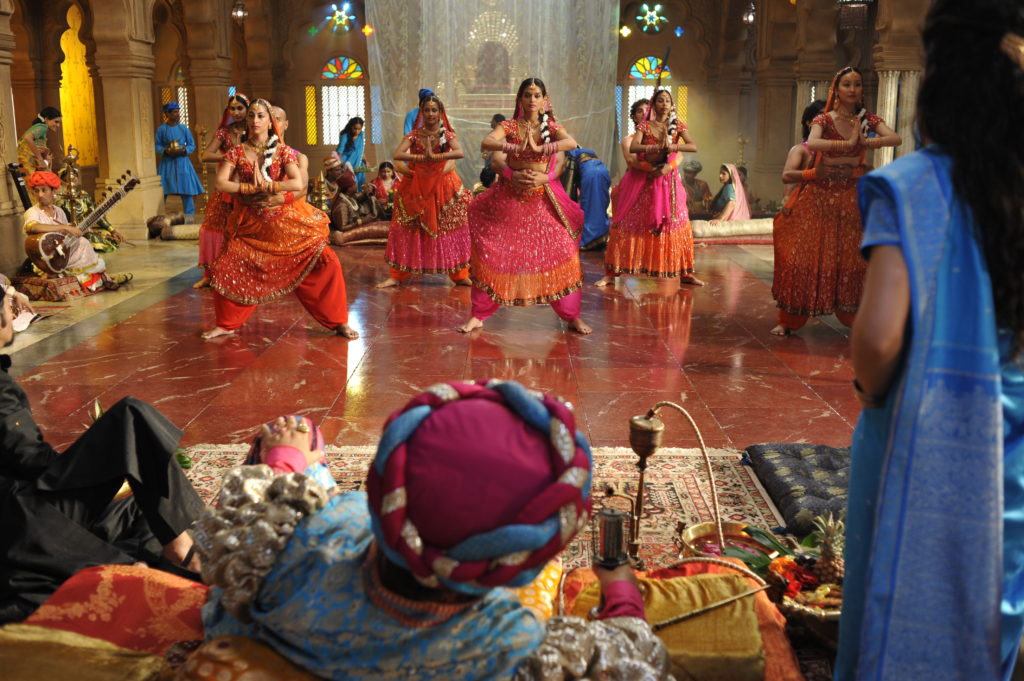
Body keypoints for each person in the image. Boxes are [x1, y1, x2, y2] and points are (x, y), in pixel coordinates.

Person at [195, 380, 669, 680]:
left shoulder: (306, 539)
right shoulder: (518, 650)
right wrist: (621, 587)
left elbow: (250, 510)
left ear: (379, 493)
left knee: (305, 453)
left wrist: (289, 459)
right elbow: (635, 653)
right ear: (529, 561)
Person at [836, 2, 1024, 678]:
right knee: (993, 602)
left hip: (914, 429)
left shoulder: (911, 186)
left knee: (892, 593)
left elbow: (879, 338)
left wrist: (869, 393)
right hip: (1015, 438)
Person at [0, 275, 205, 623]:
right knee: (130, 420)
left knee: (137, 505)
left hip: (18, 516)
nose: (14, 309)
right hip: (22, 519)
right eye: (8, 305)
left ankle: (177, 578)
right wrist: (97, 462)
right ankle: (180, 547)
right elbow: (31, 460)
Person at [203, 98, 358, 340]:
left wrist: (272, 188)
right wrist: (247, 189)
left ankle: (339, 321)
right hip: (251, 227)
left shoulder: (286, 153)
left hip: (287, 225)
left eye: (261, 116)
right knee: (224, 267)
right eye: (251, 115)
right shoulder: (236, 151)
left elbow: (298, 184)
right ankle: (226, 323)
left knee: (328, 262)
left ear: (272, 122)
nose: (255, 120)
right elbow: (221, 183)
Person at [770, 66, 902, 335]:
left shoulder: (867, 119)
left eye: (857, 84)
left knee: (853, 260)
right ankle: (788, 320)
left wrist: (867, 142)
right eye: (846, 84)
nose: (852, 89)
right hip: (818, 198)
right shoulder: (824, 119)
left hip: (851, 199)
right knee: (802, 256)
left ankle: (856, 317)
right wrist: (846, 145)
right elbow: (813, 144)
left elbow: (896, 138)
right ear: (836, 90)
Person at [458, 78, 591, 335]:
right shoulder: (508, 126)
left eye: (537, 95)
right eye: (527, 95)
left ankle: (572, 315)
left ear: (544, 100)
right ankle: (478, 314)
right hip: (509, 198)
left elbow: (571, 144)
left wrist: (543, 158)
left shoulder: (550, 127)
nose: (532, 99)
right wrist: (513, 156)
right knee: (492, 254)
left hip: (543, 199)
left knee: (565, 251)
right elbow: (489, 146)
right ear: (520, 99)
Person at [596, 88, 701, 288]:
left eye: (667, 101)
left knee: (678, 223)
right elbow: (633, 158)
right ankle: (611, 273)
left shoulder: (676, 126)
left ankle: (686, 272)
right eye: (660, 101)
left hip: (668, 183)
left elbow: (687, 149)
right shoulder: (641, 130)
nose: (664, 104)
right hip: (641, 184)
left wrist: (670, 160)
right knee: (626, 223)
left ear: (671, 105)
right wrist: (655, 158)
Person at [376, 95, 472, 289]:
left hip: (443, 186)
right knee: (407, 228)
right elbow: (397, 154)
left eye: (434, 110)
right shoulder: (414, 135)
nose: (430, 113)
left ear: (440, 112)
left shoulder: (447, 135)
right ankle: (397, 276)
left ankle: (460, 275)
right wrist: (421, 159)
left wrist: (436, 158)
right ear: (421, 112)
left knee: (450, 227)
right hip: (416, 185)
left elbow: (459, 152)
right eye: (426, 110)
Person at [23, 171, 132, 291]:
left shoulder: (59, 211)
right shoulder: (33, 211)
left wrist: (77, 230)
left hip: (62, 253)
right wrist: (65, 227)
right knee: (84, 244)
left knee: (83, 242)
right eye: (36, 191)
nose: (40, 194)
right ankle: (101, 280)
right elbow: (32, 227)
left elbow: (64, 236)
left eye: (44, 190)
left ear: (54, 191)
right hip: (47, 259)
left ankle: (101, 278)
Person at [195, 92, 250, 289]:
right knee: (212, 226)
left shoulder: (254, 130)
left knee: (245, 229)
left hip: (249, 186)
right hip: (226, 185)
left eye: (240, 108)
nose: (236, 112)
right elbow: (205, 155)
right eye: (232, 109)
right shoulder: (224, 133)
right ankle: (210, 274)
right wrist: (229, 157)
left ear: (248, 109)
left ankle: (243, 271)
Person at [54, 146, 123, 253]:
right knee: (89, 238)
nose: (72, 180)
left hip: (86, 229)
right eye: (68, 179)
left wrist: (112, 230)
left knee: (106, 235)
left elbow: (95, 214)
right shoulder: (59, 198)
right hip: (69, 232)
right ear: (62, 181)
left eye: (75, 177)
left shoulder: (83, 195)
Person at [154, 102, 204, 217]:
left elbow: (192, 145)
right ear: (167, 114)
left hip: (183, 163)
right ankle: (159, 218)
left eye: (177, 112)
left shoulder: (184, 129)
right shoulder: (161, 129)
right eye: (174, 112)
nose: (177, 114)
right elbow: (157, 146)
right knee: (162, 192)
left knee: (187, 191)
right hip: (167, 164)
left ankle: (189, 219)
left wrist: (184, 150)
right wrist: (165, 151)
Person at [563, 147, 611, 250]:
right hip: (602, 170)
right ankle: (601, 237)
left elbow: (567, 188)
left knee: (590, 208)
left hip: (589, 174)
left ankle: (589, 240)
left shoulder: (566, 154)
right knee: (600, 206)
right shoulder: (579, 151)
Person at [17, 107, 61, 175]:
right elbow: (28, 138)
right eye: (56, 122)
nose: (58, 125)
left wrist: (45, 156)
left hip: (24, 163)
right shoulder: (43, 127)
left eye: (59, 122)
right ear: (46, 119)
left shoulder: (38, 127)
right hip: (27, 164)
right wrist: (40, 160)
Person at [336, 116, 367, 189]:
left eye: (359, 129)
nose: (357, 131)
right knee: (349, 187)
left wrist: (366, 161)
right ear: (351, 126)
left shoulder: (362, 135)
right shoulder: (345, 136)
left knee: (359, 186)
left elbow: (361, 151)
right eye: (355, 128)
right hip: (346, 164)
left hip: (359, 165)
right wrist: (337, 165)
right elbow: (339, 153)